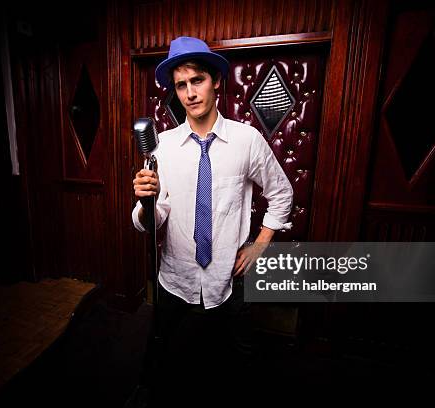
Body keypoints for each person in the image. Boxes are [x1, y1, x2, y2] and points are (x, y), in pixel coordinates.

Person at [127, 36, 293, 407]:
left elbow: (282, 193)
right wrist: (146, 201)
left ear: (216, 80)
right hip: (176, 275)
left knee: (243, 358)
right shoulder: (163, 148)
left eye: (197, 80)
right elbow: (152, 220)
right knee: (159, 353)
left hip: (228, 276)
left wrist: (260, 243)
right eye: (181, 85)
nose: (189, 93)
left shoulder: (246, 140)